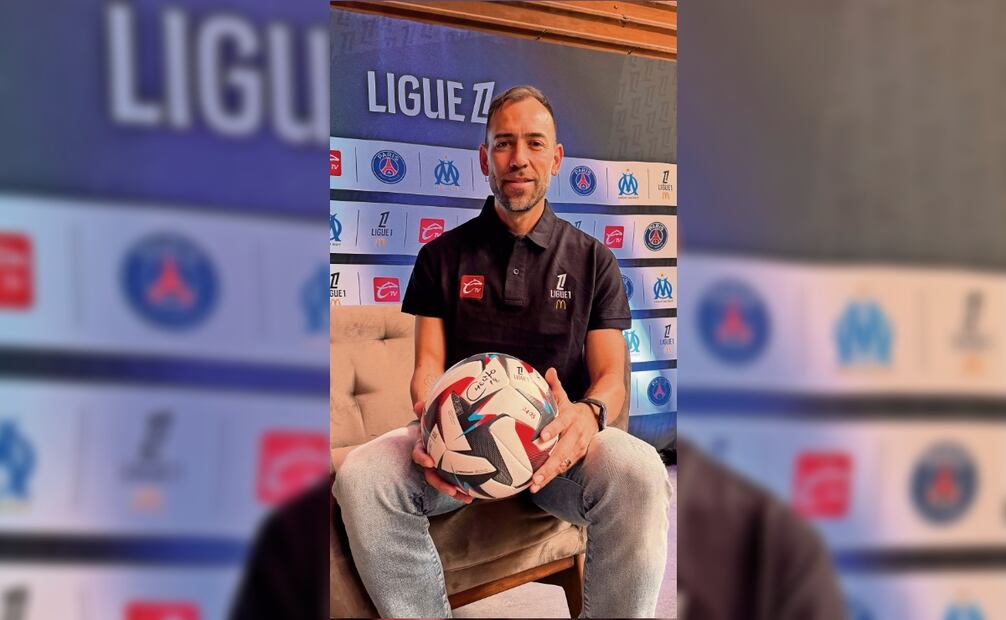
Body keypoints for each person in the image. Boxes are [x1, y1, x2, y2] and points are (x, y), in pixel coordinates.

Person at [333, 85, 672, 618]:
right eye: (504, 143)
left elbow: (610, 377)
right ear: (484, 158)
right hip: (458, 447)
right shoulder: (440, 256)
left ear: (555, 158)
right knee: (362, 476)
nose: (519, 158)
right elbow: (428, 367)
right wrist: (432, 420)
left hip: (556, 452)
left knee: (641, 469)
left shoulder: (593, 260)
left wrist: (588, 414)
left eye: (535, 143)